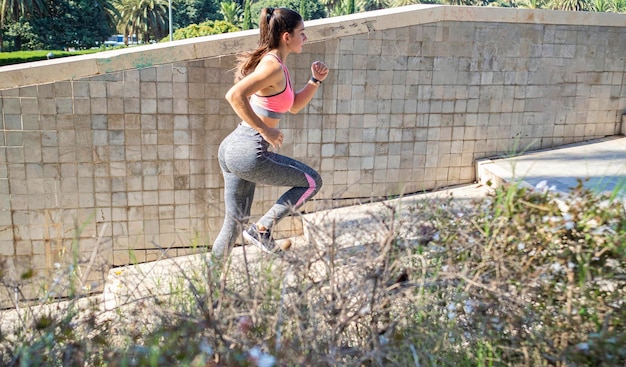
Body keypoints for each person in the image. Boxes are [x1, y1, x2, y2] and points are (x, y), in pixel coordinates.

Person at [211, 7, 329, 260]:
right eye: (302, 33)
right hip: (247, 149)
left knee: (233, 225)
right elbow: (234, 95)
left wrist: (314, 81)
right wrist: (264, 129)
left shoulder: (277, 65)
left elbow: (294, 106)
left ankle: (211, 287)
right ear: (287, 37)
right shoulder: (272, 66)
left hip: (233, 147)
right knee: (311, 182)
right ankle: (262, 229)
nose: (305, 38)